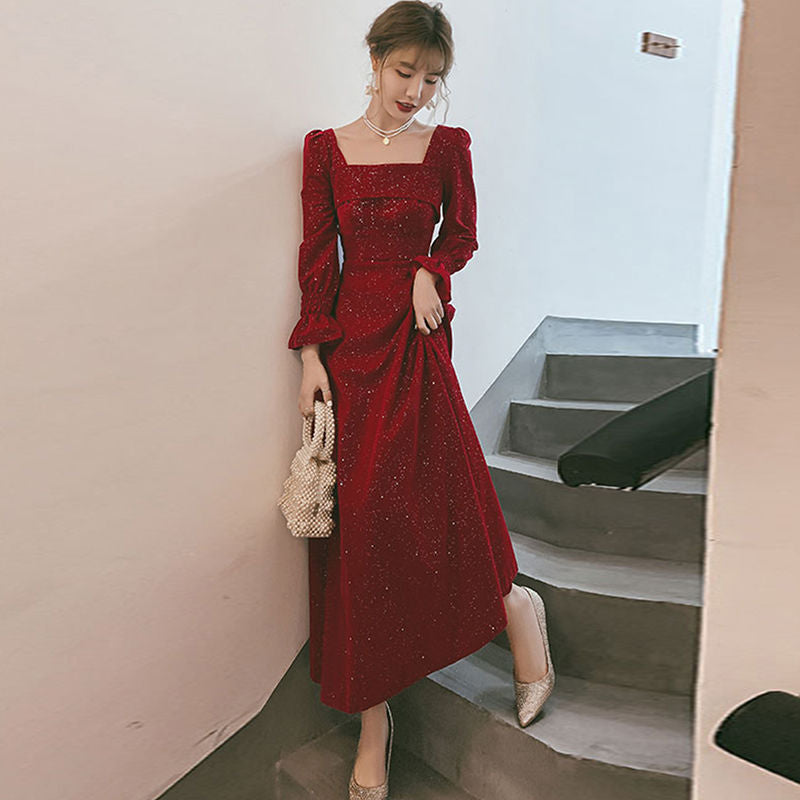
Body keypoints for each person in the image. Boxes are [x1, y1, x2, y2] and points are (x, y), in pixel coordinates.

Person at [286, 2, 555, 796]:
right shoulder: (324, 149)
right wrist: (311, 356)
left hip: (415, 340)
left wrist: (429, 271)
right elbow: (317, 254)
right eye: (405, 71)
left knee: (443, 497)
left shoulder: (447, 148)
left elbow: (461, 234)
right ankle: (374, 721)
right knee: (363, 526)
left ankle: (515, 610)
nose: (415, 90)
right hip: (349, 352)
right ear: (374, 60)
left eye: (431, 79)